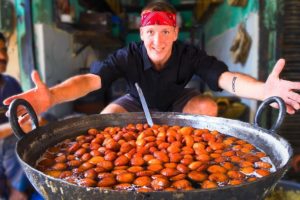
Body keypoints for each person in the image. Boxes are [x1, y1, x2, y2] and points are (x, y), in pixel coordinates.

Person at [3, 1, 300, 123]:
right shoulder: (127, 55)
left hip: (178, 100)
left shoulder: (189, 54)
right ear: (141, 33)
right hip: (136, 99)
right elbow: (91, 81)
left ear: (175, 32)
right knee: (105, 120)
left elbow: (225, 78)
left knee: (208, 106)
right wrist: (53, 95)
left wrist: (262, 91)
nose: (157, 41)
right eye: (150, 32)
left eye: (164, 32)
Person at [0, 32, 29, 199]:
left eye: (4, 50)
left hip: (12, 152)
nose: (2, 57)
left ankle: (19, 191)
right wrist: (14, 126)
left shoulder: (11, 83)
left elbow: (24, 115)